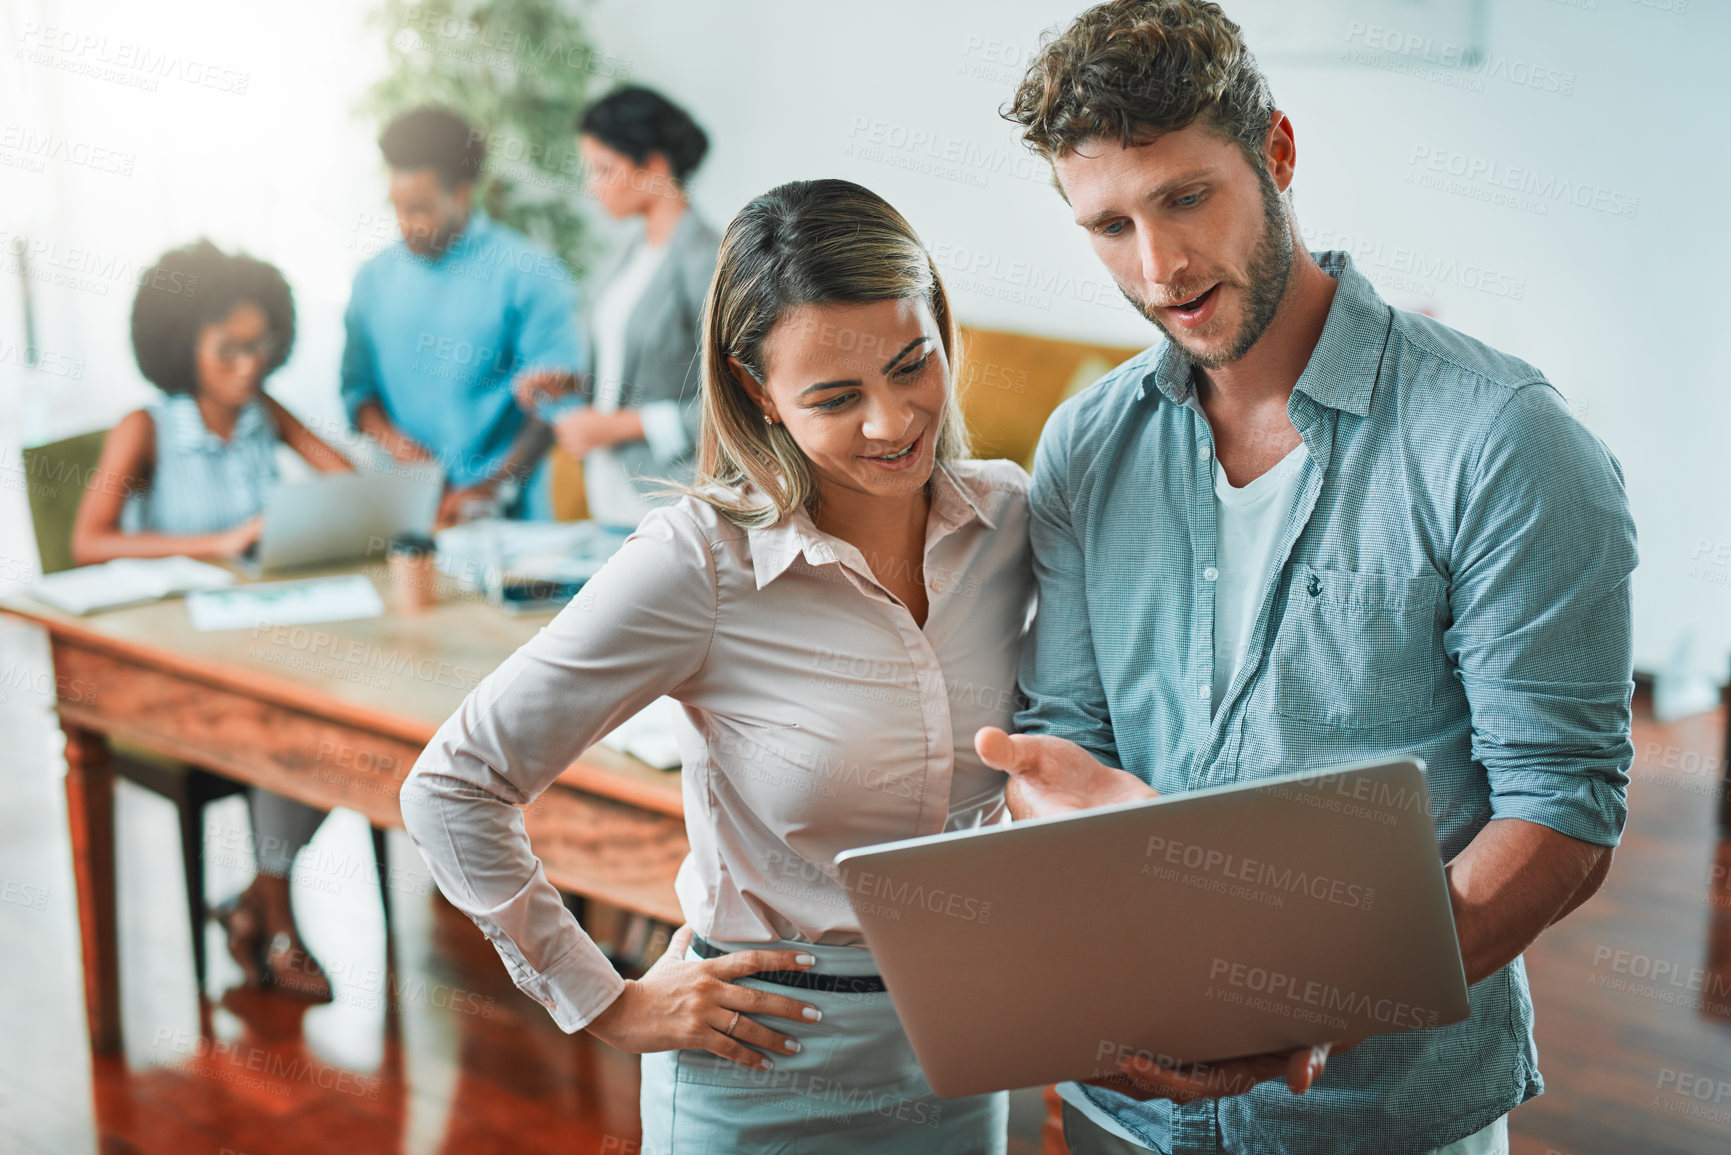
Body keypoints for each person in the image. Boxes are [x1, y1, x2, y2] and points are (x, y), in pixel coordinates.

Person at [971, 3, 1639, 1154]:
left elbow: (1562, 809)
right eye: (1111, 225)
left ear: (1277, 153)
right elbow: (1065, 737)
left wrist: (1298, 1003)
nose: (1161, 268)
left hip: (1378, 1114)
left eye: (1188, 197)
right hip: (1119, 1101)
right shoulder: (1086, 445)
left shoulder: (1505, 441)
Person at [402, 179, 1031, 1154]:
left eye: (913, 364)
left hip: (961, 1051)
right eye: (834, 396)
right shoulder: (699, 562)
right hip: (762, 1069)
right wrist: (601, 1000)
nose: (892, 420)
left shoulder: (1014, 523)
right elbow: (451, 786)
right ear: (755, 389)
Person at [71, 240, 354, 1000]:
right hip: (184, 663)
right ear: (180, 345)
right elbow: (88, 542)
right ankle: (277, 911)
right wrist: (220, 542)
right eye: (227, 349)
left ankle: (256, 899)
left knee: (340, 721)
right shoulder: (148, 427)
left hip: (263, 640)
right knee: (295, 723)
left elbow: (351, 487)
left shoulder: (267, 413)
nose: (248, 366)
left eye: (261, 346)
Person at [341, 105, 583, 523]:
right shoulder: (372, 279)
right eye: (396, 205)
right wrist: (406, 458)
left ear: (462, 194)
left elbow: (552, 411)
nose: (405, 224)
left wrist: (488, 490)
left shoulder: (531, 274)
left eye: (419, 208)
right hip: (404, 514)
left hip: (510, 522)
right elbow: (357, 391)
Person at [515, 85, 721, 528]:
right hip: (610, 498)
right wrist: (573, 383)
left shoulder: (708, 260)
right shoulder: (630, 254)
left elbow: (739, 405)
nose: (593, 187)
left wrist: (618, 426)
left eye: (604, 170)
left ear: (654, 165)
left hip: (672, 501)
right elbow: (632, 369)